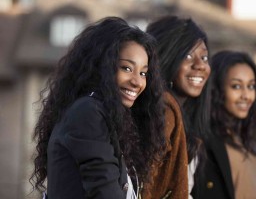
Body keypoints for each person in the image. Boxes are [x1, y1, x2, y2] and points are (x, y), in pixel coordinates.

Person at [29, 16, 166, 199]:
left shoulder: (105, 113)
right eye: (126, 68)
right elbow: (104, 191)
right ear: (102, 66)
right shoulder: (88, 112)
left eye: (143, 73)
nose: (137, 81)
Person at [143, 15, 211, 199]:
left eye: (204, 57)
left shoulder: (180, 114)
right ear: (166, 58)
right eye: (188, 55)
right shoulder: (165, 112)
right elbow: (145, 188)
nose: (200, 66)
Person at [193, 50, 256, 199]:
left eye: (251, 86)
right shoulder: (204, 143)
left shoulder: (241, 138)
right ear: (217, 90)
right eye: (236, 86)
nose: (246, 95)